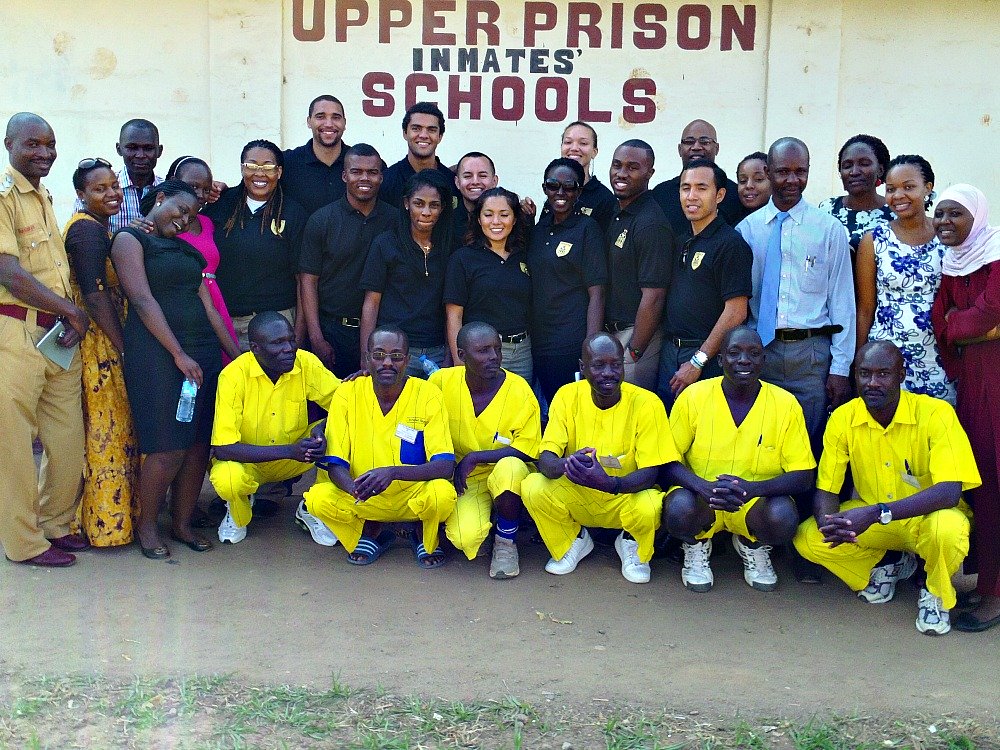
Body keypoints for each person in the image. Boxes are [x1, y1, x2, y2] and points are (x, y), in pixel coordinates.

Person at [794, 341, 979, 636]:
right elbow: (828, 489)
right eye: (865, 374)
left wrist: (879, 513)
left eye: (884, 374)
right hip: (876, 522)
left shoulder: (936, 414)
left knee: (947, 529)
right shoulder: (843, 418)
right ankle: (889, 563)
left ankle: (936, 595)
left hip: (928, 518)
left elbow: (949, 491)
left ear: (902, 375)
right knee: (808, 538)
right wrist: (830, 526)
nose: (873, 383)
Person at [111, 180, 241, 559]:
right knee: (168, 447)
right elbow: (141, 298)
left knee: (199, 443)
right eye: (180, 210)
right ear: (161, 198)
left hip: (201, 353)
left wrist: (236, 355)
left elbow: (209, 309)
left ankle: (182, 523)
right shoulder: (131, 240)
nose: (185, 220)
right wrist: (178, 354)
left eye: (191, 216)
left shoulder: (187, 252)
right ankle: (148, 525)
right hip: (157, 355)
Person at [0, 112, 91, 567]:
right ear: (9, 144)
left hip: (57, 334)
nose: (43, 153)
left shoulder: (44, 196)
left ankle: (55, 524)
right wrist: (74, 310)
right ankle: (24, 543)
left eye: (50, 144)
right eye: (32, 144)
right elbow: (8, 272)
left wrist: (70, 314)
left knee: (67, 436)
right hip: (15, 332)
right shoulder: (3, 197)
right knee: (14, 445)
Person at [662, 327, 815, 592]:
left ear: (763, 361)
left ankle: (752, 543)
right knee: (677, 510)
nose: (744, 360)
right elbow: (665, 460)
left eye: (753, 354)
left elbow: (803, 476)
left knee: (783, 517)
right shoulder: (693, 397)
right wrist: (702, 487)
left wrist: (752, 490)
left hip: (754, 503)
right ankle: (696, 543)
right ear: (720, 360)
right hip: (702, 498)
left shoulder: (786, 404)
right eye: (734, 353)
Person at [521, 333, 679, 583]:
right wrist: (568, 463)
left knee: (650, 504)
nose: (608, 373)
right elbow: (546, 461)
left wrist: (608, 483)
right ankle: (572, 541)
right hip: (579, 493)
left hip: (625, 496)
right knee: (532, 486)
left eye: (616, 365)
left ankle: (632, 543)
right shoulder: (566, 395)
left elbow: (652, 473)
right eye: (598, 365)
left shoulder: (648, 403)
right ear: (583, 368)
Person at [736, 137, 855, 451]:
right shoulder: (747, 230)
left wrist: (840, 368)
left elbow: (842, 302)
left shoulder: (828, 229)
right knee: (762, 441)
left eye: (800, 172)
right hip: (761, 352)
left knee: (808, 443)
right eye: (783, 171)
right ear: (769, 171)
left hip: (811, 356)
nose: (792, 180)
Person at [303, 326, 457, 568]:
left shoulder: (428, 394)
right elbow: (335, 464)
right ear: (366, 359)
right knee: (318, 499)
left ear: (407, 360)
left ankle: (422, 533)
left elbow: (445, 465)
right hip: (364, 495)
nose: (387, 363)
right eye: (378, 355)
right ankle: (372, 531)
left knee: (443, 494)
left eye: (396, 356)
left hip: (412, 495)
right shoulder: (347, 393)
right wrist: (356, 491)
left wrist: (393, 472)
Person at [931, 183, 1000, 632]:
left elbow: (988, 314)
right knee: (982, 482)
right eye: (940, 215)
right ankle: (989, 580)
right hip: (972, 383)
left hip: (995, 380)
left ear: (977, 216)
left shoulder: (996, 256)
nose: (945, 223)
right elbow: (944, 321)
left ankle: (996, 593)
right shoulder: (953, 264)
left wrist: (967, 324)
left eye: (956, 214)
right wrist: (967, 325)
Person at [210, 312, 340, 545]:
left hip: (297, 456)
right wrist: (290, 451)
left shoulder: (305, 362)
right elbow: (223, 449)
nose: (289, 348)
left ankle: (314, 507)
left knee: (343, 435)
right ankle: (238, 512)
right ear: (255, 348)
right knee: (227, 477)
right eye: (278, 343)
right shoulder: (233, 376)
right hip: (252, 462)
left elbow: (346, 406)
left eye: (291, 340)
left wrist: (322, 428)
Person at [63, 157, 140, 547]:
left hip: (104, 337)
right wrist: (123, 346)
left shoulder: (99, 227)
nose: (111, 194)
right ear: (81, 194)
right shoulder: (87, 233)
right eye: (99, 189)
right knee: (107, 429)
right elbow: (94, 295)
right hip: (100, 342)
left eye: (114, 187)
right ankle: (105, 525)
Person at [429, 322, 540, 578]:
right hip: (464, 481)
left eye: (497, 350)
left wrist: (477, 456)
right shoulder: (441, 382)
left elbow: (529, 449)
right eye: (483, 351)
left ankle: (506, 540)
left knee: (510, 467)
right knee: (465, 538)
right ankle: (485, 522)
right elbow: (408, 401)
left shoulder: (519, 389)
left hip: (506, 474)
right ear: (462, 355)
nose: (494, 357)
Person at [855, 155, 953, 402]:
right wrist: (858, 364)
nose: (898, 195)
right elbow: (865, 308)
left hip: (939, 357)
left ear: (928, 188)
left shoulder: (947, 237)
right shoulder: (874, 240)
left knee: (937, 431)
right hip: (885, 360)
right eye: (891, 189)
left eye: (908, 187)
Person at [656, 158, 752, 408]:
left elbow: (736, 311)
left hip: (706, 358)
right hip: (670, 353)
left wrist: (698, 361)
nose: (691, 196)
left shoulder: (731, 244)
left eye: (701, 188)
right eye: (685, 188)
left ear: (719, 195)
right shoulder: (682, 240)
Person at [299, 144, 398, 378]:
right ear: (344, 175)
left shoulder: (395, 221)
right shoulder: (322, 220)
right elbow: (308, 281)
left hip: (383, 333)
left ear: (381, 177)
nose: (365, 178)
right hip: (333, 331)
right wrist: (316, 338)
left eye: (372, 172)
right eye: (356, 171)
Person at [204, 140, 308, 351]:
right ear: (242, 168)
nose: (259, 174)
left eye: (268, 167)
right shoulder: (222, 205)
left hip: (278, 324)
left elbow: (302, 280)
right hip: (227, 323)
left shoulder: (293, 213)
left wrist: (297, 333)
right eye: (251, 165)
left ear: (279, 172)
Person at [360, 169, 454, 376]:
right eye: (419, 203)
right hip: (394, 354)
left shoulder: (450, 247)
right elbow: (371, 303)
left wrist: (450, 353)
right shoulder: (386, 244)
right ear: (406, 203)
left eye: (434, 205)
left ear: (443, 208)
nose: (426, 212)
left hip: (437, 351)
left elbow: (452, 308)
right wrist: (367, 357)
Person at [528, 157, 606, 402]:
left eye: (569, 187)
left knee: (571, 407)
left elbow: (598, 292)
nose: (560, 192)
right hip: (538, 341)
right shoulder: (539, 229)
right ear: (544, 189)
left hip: (571, 341)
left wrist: (590, 347)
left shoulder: (587, 229)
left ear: (579, 192)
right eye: (553, 185)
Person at [604, 139, 675, 391]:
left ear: (650, 173)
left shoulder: (650, 224)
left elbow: (654, 296)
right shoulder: (619, 211)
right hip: (613, 335)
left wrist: (634, 351)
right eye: (616, 165)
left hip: (635, 338)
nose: (621, 173)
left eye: (632, 167)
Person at [445, 187, 533, 382]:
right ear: (478, 219)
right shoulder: (463, 258)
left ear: (515, 219)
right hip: (481, 353)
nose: (496, 222)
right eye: (488, 214)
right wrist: (461, 364)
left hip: (523, 352)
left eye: (504, 215)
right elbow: (454, 315)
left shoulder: (524, 254)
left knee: (521, 409)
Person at [165, 156, 238, 362]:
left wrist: (223, 190)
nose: (200, 194)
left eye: (206, 189)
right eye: (193, 186)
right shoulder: (166, 224)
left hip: (215, 304)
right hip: (185, 306)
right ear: (173, 180)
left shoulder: (208, 222)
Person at [650, 119, 747, 236]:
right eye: (689, 142)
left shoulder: (734, 194)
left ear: (717, 148)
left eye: (704, 142)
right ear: (680, 149)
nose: (696, 147)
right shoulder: (661, 193)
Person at [525, 122, 617, 234]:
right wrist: (528, 217)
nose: (574, 148)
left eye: (583, 143)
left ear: (594, 152)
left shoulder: (605, 199)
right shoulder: (554, 190)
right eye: (568, 142)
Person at [818, 134, 894, 256]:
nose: (854, 172)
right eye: (847, 166)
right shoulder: (827, 209)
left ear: (880, 170)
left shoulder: (895, 212)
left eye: (864, 164)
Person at [380, 102, 458, 210]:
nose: (423, 135)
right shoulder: (386, 182)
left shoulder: (452, 183)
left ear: (440, 136)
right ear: (405, 133)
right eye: (416, 128)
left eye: (431, 130)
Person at [282, 95, 351, 215]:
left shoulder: (362, 165)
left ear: (344, 123)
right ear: (309, 122)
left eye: (336, 117)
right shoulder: (286, 163)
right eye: (320, 117)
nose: (329, 124)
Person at [108, 119, 164, 233]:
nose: (140, 155)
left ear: (159, 151)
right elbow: (84, 233)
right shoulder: (100, 191)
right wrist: (126, 234)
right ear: (119, 149)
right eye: (132, 148)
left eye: (148, 148)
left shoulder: (168, 191)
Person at [452, 152, 499, 247]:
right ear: (457, 182)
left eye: (482, 176)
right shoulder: (447, 222)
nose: (475, 182)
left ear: (494, 181)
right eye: (468, 176)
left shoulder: (509, 220)